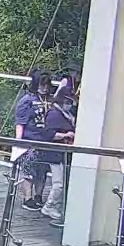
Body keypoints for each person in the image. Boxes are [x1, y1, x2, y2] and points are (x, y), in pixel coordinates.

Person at [16, 71, 54, 211]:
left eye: (46, 84)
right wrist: (18, 142)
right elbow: (20, 122)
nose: (44, 87)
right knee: (28, 171)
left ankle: (38, 196)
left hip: (46, 141)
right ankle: (28, 198)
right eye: (41, 84)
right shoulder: (27, 100)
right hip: (30, 141)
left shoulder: (50, 100)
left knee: (42, 171)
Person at [37, 97, 76, 226]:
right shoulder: (54, 114)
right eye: (67, 102)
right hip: (55, 153)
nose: (69, 105)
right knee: (58, 183)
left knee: (62, 183)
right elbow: (48, 134)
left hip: (64, 153)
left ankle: (56, 206)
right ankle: (49, 205)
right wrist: (66, 135)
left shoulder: (68, 115)